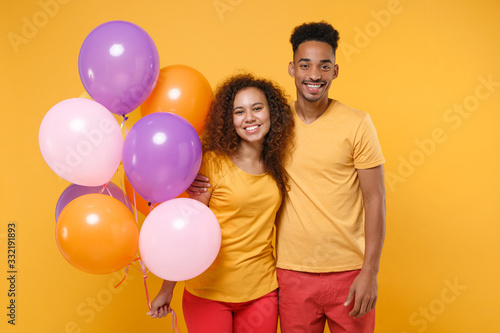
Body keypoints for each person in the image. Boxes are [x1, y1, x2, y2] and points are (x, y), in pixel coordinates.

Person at [189, 21, 386, 333]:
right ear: (293, 69)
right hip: (290, 275)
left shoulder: (357, 124)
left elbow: (375, 198)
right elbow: (230, 138)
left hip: (349, 271)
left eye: (324, 66)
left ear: (335, 71)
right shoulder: (273, 124)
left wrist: (370, 272)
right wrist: (189, 173)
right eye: (305, 65)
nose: (314, 75)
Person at [147, 73, 294, 333]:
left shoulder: (278, 164)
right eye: (239, 111)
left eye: (257, 108)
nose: (249, 118)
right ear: (229, 120)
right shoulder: (211, 165)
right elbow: (186, 233)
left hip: (262, 291)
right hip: (208, 292)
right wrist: (166, 289)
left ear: (272, 113)